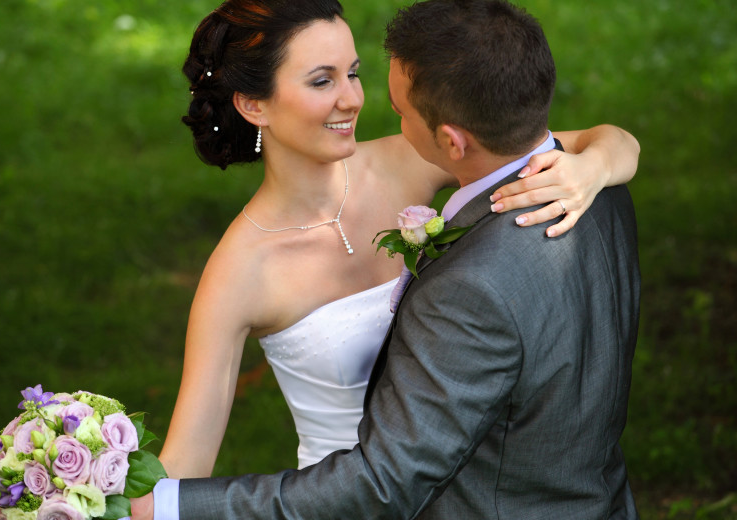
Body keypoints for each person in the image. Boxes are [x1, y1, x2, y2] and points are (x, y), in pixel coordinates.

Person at [134, 0, 640, 517]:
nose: (352, 99)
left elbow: (585, 143)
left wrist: (595, 168)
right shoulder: (240, 271)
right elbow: (183, 466)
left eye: (353, 73)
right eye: (321, 81)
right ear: (253, 105)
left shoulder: (410, 158)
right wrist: (97, 491)